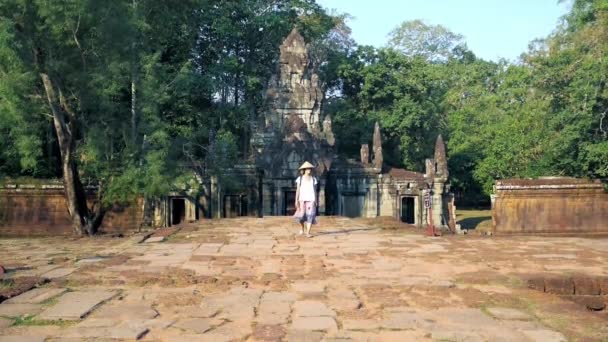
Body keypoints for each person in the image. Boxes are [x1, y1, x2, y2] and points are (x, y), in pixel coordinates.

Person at [294, 161, 318, 237]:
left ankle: (308, 232)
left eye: (310, 169)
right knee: (301, 216)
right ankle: (302, 227)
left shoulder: (313, 179)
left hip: (311, 199)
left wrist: (316, 200)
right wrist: (296, 200)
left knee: (310, 215)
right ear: (304, 170)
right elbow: (298, 190)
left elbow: (315, 190)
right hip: (302, 199)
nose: (309, 170)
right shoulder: (300, 179)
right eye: (307, 169)